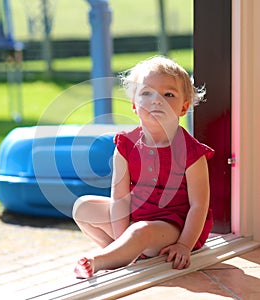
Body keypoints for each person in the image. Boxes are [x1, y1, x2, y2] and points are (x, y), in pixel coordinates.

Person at [72, 56, 214, 279]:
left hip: (172, 228)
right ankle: (121, 252)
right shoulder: (125, 145)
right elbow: (120, 198)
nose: (156, 101)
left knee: (140, 232)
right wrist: (122, 235)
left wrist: (185, 245)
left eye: (168, 95)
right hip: (135, 218)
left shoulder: (191, 152)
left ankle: (100, 261)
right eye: (147, 93)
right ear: (134, 106)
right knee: (83, 207)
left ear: (184, 107)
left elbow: (199, 206)